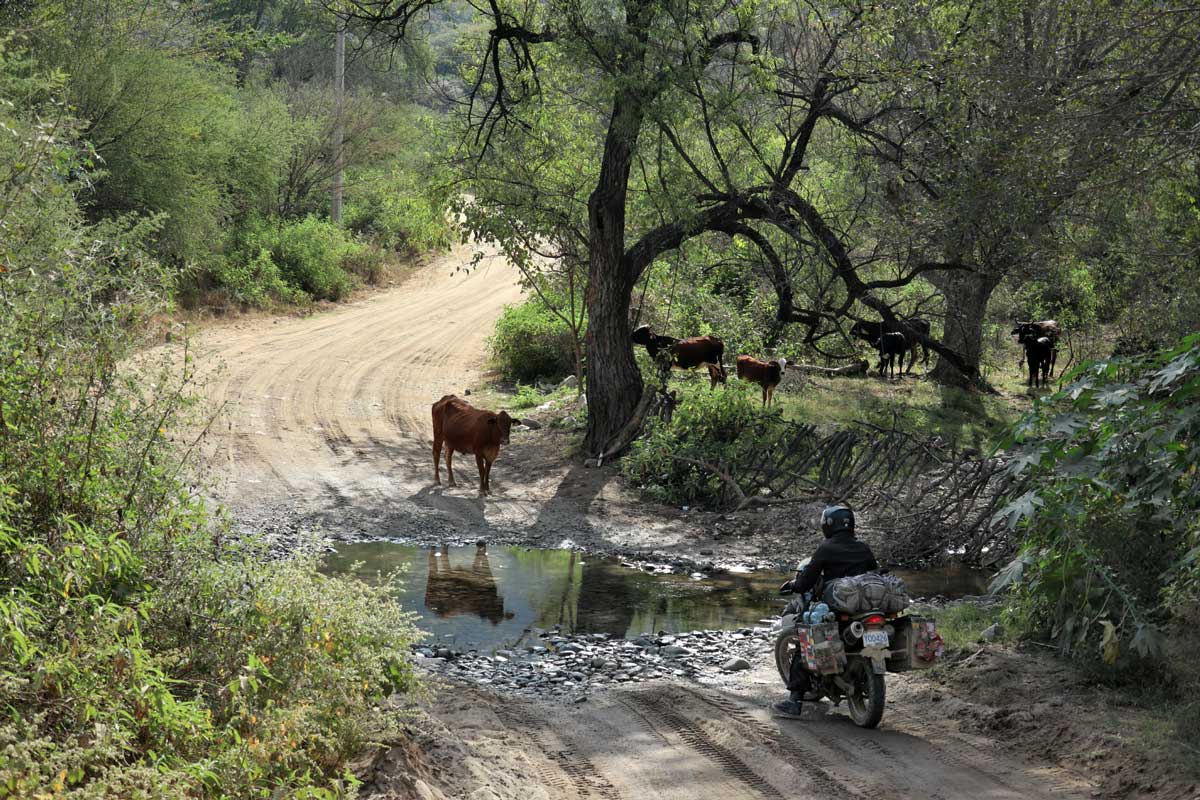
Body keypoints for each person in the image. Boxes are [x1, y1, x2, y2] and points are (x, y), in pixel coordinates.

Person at [774, 504, 878, 718]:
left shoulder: (826, 548)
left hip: (838, 608)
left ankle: (794, 701)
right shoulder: (864, 548)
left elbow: (807, 580)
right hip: (866, 608)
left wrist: (796, 585)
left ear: (829, 525)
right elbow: (874, 574)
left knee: (806, 640)